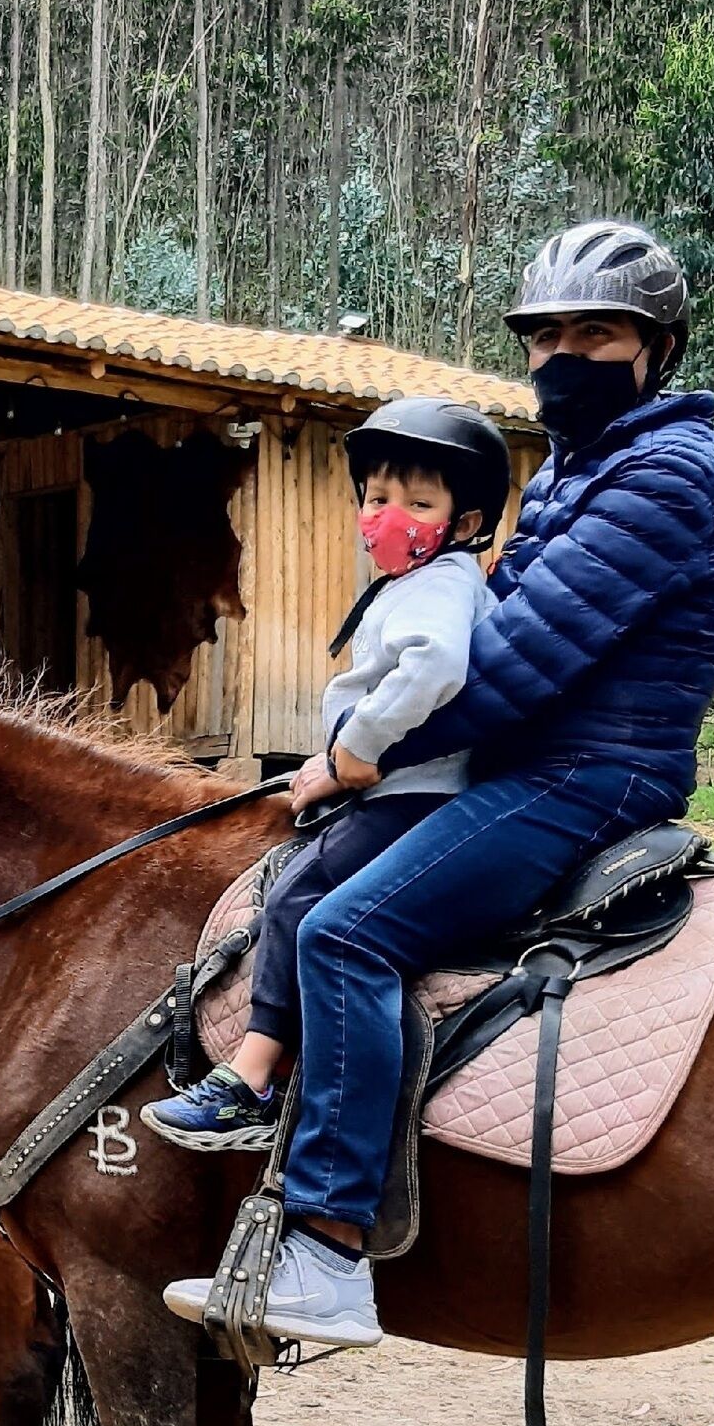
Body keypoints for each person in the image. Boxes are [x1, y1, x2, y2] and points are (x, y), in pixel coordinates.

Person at [166, 218, 714, 1356]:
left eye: (599, 333)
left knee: (346, 935)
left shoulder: (666, 475)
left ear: (658, 348)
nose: (565, 355)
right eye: (548, 335)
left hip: (586, 777)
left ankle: (327, 1251)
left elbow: (520, 663)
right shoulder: (588, 464)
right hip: (527, 764)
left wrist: (352, 762)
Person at [142, 396, 510, 1152]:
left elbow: (434, 665)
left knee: (298, 901)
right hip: (393, 783)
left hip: (409, 796)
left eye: (417, 502)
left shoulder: (438, 586)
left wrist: (360, 749)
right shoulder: (421, 584)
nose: (388, 514)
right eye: (377, 498)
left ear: (464, 523)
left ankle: (251, 1076)